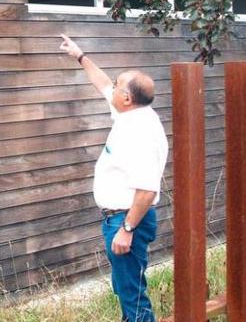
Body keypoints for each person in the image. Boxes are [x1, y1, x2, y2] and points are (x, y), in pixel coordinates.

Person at [59, 34, 169, 322]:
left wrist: (127, 229)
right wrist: (80, 56)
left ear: (127, 98)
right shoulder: (131, 114)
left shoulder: (140, 131)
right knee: (125, 288)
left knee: (132, 295)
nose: (113, 89)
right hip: (119, 219)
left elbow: (146, 190)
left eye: (119, 86)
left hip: (127, 220)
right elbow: (104, 84)